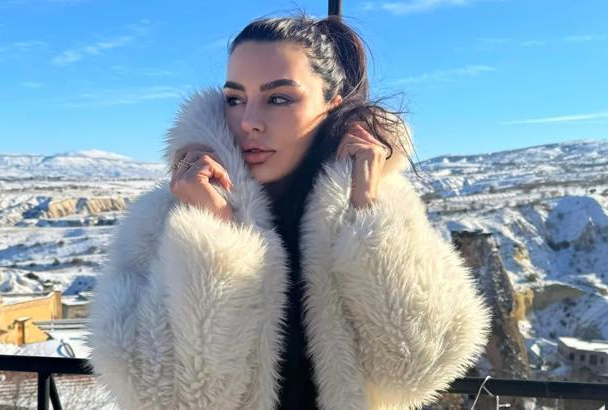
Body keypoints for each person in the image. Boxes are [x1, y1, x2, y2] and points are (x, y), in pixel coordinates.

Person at [89, 13, 492, 410]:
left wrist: (366, 214)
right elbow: (169, 398)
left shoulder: (377, 205)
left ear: (332, 104)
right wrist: (215, 233)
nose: (249, 122)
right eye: (235, 99)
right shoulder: (172, 214)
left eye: (278, 98)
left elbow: (412, 369)